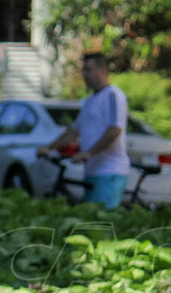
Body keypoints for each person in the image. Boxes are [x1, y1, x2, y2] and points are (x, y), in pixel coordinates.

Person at [35, 52, 130, 209]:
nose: (84, 75)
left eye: (89, 70)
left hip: (109, 171)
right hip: (92, 171)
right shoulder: (90, 101)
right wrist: (49, 147)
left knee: (102, 224)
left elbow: (114, 129)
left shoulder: (113, 95)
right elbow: (73, 132)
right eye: (83, 70)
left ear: (103, 70)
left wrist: (89, 153)